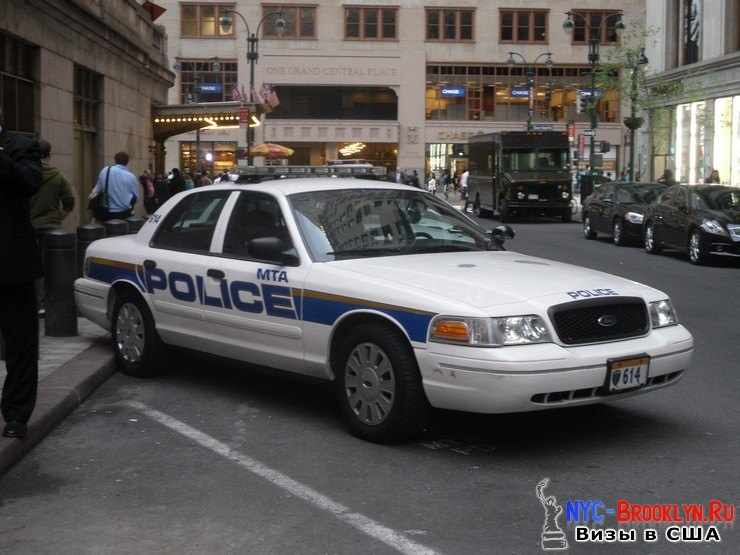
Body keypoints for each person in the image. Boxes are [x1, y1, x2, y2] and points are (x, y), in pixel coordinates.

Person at [0, 107, 43, 439]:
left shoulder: (20, 145)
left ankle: (16, 414)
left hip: (12, 263)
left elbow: (29, 183)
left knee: (20, 344)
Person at [30, 140, 75, 229]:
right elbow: (69, 200)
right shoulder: (58, 176)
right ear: (49, 156)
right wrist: (59, 216)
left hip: (30, 225)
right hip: (51, 225)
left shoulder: (26, 173)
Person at [91, 152, 138, 221]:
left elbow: (96, 191)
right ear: (127, 162)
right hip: (125, 213)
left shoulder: (105, 171)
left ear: (115, 160)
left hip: (106, 212)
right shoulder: (131, 177)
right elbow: (136, 197)